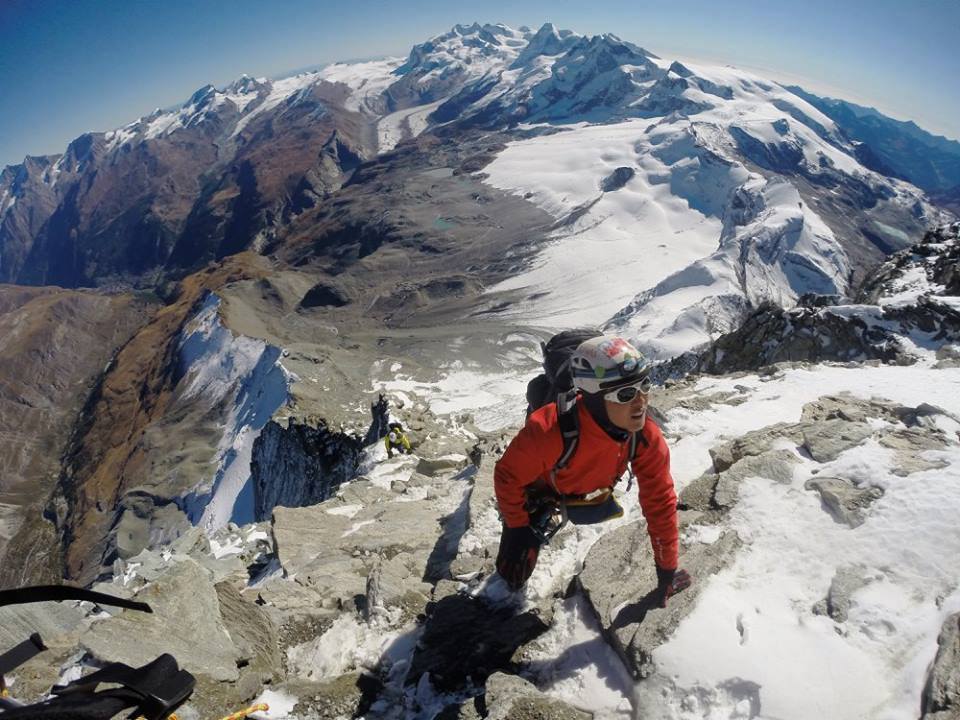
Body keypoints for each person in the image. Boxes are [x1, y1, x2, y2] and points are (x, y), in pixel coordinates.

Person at [494, 335, 690, 605]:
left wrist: (666, 570)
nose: (641, 401)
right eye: (625, 394)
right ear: (594, 398)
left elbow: (660, 502)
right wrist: (518, 526)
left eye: (645, 385)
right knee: (512, 574)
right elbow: (507, 476)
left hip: (576, 483)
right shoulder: (548, 429)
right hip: (540, 491)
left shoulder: (644, 436)